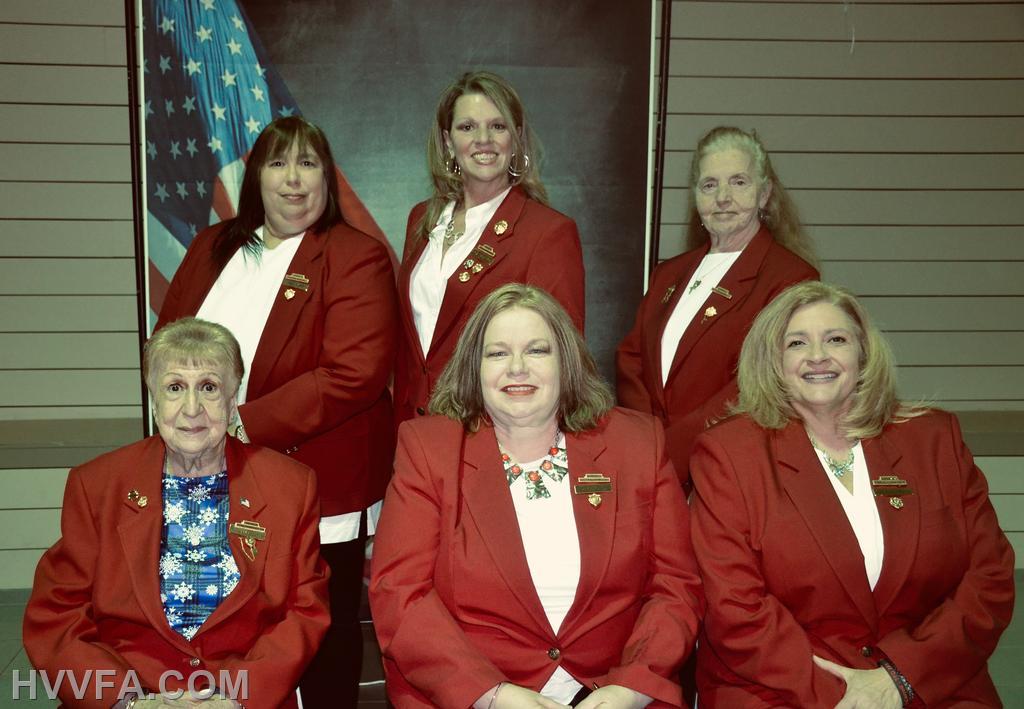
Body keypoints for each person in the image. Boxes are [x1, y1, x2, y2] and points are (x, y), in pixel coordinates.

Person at [156, 116, 398, 707]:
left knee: (317, 627)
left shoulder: (353, 255)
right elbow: (168, 342)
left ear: (328, 179)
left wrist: (239, 424)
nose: (294, 180)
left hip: (318, 478)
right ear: (255, 177)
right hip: (204, 471)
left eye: (309, 164)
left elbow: (354, 373)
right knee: (220, 616)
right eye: (278, 163)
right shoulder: (212, 247)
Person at [371, 283, 703, 708]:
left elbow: (676, 586)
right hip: (474, 696)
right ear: (474, 368)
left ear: (566, 362)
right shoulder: (428, 449)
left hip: (613, 694)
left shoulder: (636, 444)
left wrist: (632, 686)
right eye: (497, 353)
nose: (517, 368)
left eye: (537, 350)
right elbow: (401, 594)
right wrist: (491, 695)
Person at [689, 281, 1016, 708]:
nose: (818, 356)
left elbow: (989, 578)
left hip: (931, 679)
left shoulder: (934, 439)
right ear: (773, 362)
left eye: (836, 339)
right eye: (797, 343)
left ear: (863, 354)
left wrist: (900, 678)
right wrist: (849, 697)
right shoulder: (730, 455)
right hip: (782, 686)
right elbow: (734, 609)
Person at [24, 318, 329, 709]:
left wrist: (235, 698)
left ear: (233, 400)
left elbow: (305, 610)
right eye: (174, 388)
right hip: (133, 692)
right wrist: (127, 702)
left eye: (209, 387)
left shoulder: (289, 486)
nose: (191, 408)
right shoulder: (98, 484)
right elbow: (57, 614)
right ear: (154, 400)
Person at [617, 126, 818, 488]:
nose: (722, 197)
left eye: (738, 182)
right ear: (696, 197)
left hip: (728, 471)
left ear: (764, 193)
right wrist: (643, 439)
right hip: (653, 465)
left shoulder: (791, 278)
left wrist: (668, 452)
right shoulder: (668, 274)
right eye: (709, 185)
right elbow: (631, 360)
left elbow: (755, 384)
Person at [395, 70, 586, 425]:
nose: (483, 140)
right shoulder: (421, 220)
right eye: (467, 127)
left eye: (497, 127)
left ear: (515, 140)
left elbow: (560, 359)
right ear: (448, 141)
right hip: (412, 429)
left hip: (491, 432)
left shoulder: (548, 232)